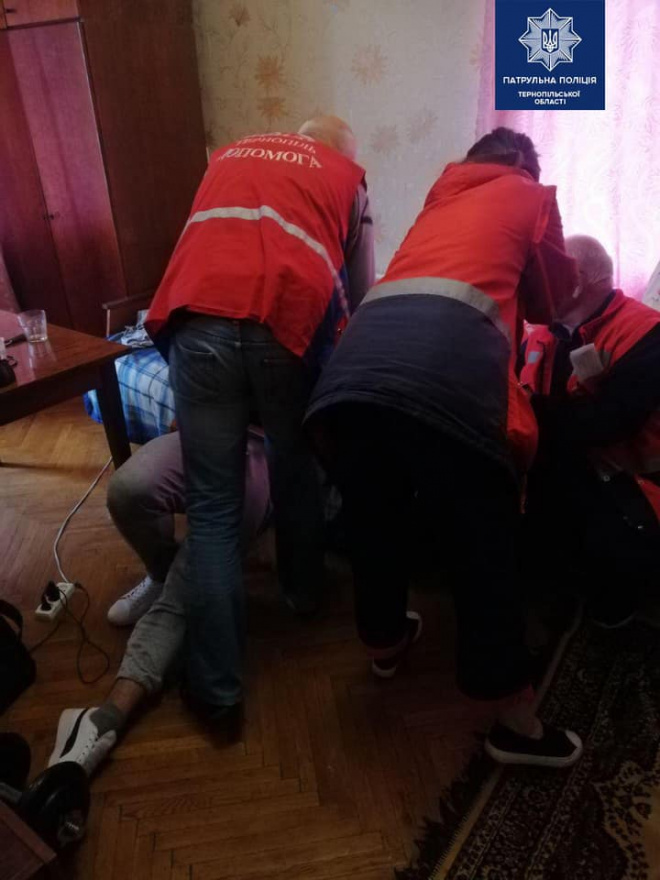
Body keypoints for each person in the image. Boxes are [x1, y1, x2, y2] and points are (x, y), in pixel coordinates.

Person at [305, 127, 583, 768]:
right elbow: (552, 300)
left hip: (352, 375)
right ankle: (514, 722)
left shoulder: (439, 199)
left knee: (374, 516)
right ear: (523, 164)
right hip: (446, 379)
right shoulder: (530, 194)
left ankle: (385, 642)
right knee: (484, 540)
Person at [144, 117, 374, 719]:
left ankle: (216, 689)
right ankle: (303, 594)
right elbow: (360, 295)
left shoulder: (229, 154)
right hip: (285, 326)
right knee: (293, 464)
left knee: (212, 510)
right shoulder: (347, 177)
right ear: (338, 153)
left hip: (198, 317)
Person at [47, 430, 271, 775]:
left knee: (182, 594)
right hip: (207, 434)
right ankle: (165, 573)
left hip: (264, 451)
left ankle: (108, 715)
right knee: (127, 490)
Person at [521, 235, 660, 627]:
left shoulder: (645, 332)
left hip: (635, 484)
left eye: (545, 274)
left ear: (577, 279)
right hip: (568, 465)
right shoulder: (541, 335)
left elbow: (606, 423)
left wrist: (525, 411)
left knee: (610, 587)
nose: (535, 286)